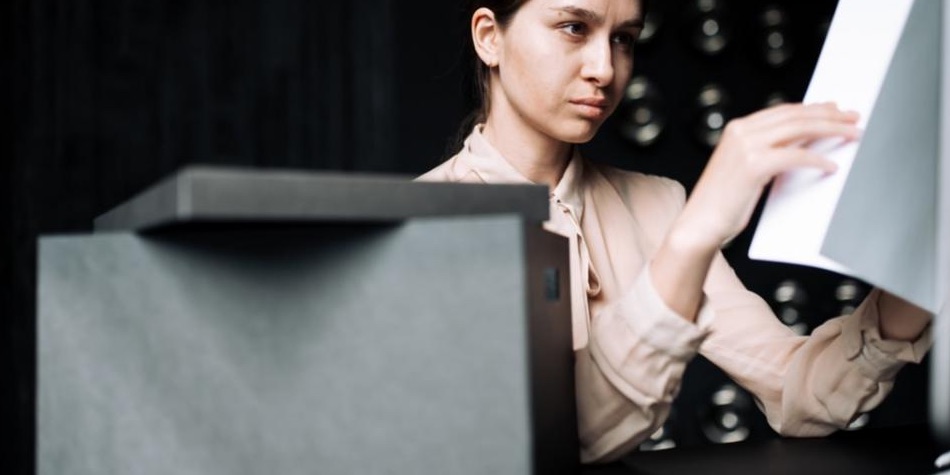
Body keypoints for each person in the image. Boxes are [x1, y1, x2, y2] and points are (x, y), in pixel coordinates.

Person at [416, 0, 934, 464]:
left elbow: (802, 397)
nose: (604, 69)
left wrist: (928, 256)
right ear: (489, 36)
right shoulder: (416, 226)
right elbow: (537, 450)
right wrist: (694, 234)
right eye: (574, 27)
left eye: (624, 39)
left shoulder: (658, 204)